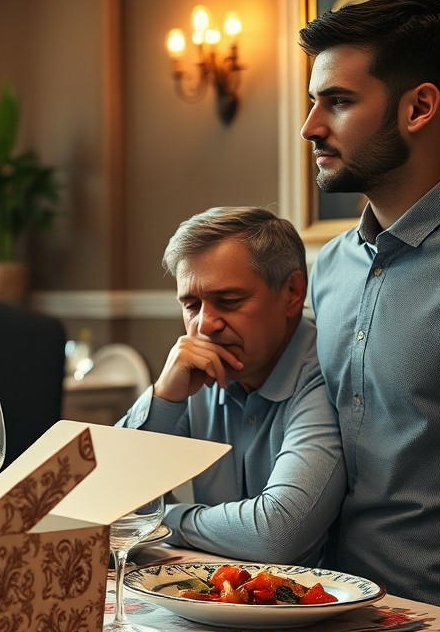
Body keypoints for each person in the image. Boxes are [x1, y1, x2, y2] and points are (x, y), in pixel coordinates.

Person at [301, 0, 440, 616]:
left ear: (420, 107)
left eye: (337, 101)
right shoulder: (328, 267)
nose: (310, 125)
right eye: (313, 102)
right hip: (315, 611)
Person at [117, 207, 344, 566]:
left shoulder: (327, 374)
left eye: (229, 301)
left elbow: (276, 535)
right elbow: (104, 498)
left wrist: (159, 520)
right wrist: (163, 396)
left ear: (292, 292)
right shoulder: (196, 373)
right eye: (191, 304)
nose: (205, 325)